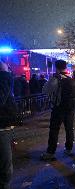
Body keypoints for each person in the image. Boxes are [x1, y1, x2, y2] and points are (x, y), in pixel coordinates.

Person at [40, 60, 75, 160]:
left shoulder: (56, 79)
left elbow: (45, 90)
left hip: (58, 108)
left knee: (54, 130)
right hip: (70, 108)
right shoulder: (71, 79)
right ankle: (69, 149)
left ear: (56, 67)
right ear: (65, 67)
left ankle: (50, 152)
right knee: (69, 129)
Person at [0, 61, 17, 189]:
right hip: (2, 128)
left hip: (5, 126)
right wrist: (5, 74)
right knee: (5, 168)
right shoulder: (4, 78)